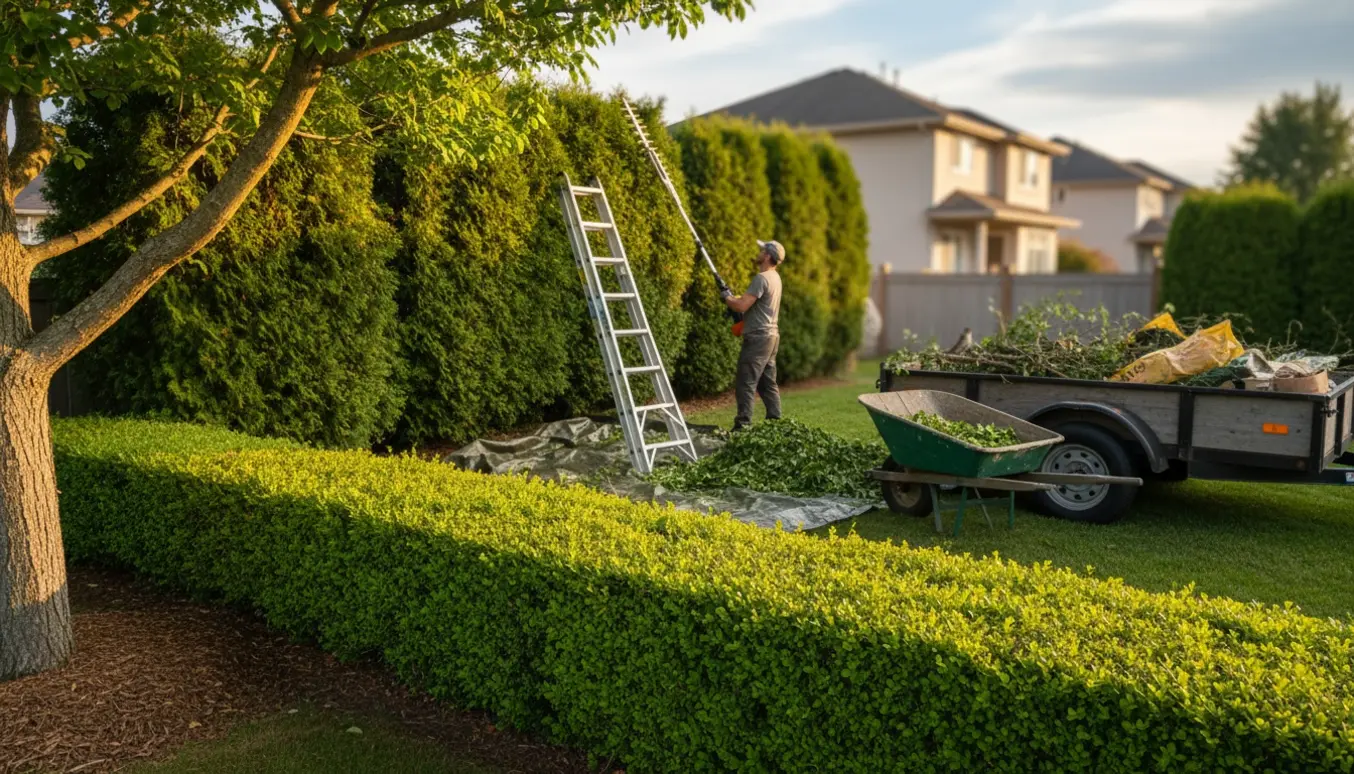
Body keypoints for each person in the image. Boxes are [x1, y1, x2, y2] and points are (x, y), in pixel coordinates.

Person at [722, 239, 784, 431]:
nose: (759, 252)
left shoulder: (762, 278)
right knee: (767, 383)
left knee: (746, 382)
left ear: (767, 256)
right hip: (772, 337)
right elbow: (752, 305)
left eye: (762, 250)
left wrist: (726, 297)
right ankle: (775, 423)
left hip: (758, 338)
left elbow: (741, 305)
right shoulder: (775, 278)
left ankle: (743, 425)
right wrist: (736, 299)